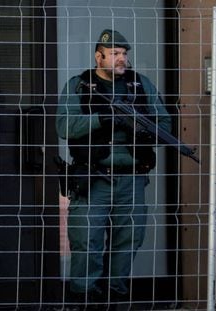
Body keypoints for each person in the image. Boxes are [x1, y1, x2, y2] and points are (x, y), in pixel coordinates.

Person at [56, 29, 172, 310]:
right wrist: (104, 118)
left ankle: (115, 294)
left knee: (130, 239)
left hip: (131, 178)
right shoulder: (80, 85)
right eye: (115, 54)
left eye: (125, 54)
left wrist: (138, 127)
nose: (122, 59)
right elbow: (64, 126)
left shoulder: (140, 85)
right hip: (92, 177)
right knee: (86, 241)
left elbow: (164, 126)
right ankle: (84, 297)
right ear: (99, 56)